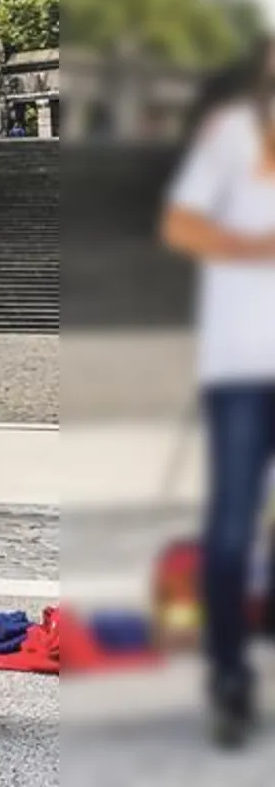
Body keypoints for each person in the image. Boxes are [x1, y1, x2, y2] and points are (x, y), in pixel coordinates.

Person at [160, 37, 275, 749]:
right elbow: (182, 222)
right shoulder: (232, 133)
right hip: (243, 364)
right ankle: (229, 679)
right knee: (232, 524)